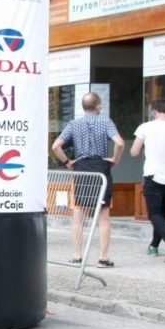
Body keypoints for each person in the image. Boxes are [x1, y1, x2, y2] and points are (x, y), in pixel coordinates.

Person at [52, 92, 124, 267]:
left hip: (82, 168)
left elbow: (56, 146)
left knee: (79, 212)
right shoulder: (106, 122)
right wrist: (115, 159)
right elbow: (120, 143)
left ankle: (77, 255)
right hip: (100, 167)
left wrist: (67, 162)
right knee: (103, 213)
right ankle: (103, 258)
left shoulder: (74, 124)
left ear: (83, 107)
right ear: (98, 105)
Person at [131, 98, 165, 260]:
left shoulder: (145, 127)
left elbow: (134, 152)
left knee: (154, 213)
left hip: (153, 176)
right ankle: (154, 245)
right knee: (161, 214)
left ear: (153, 112)